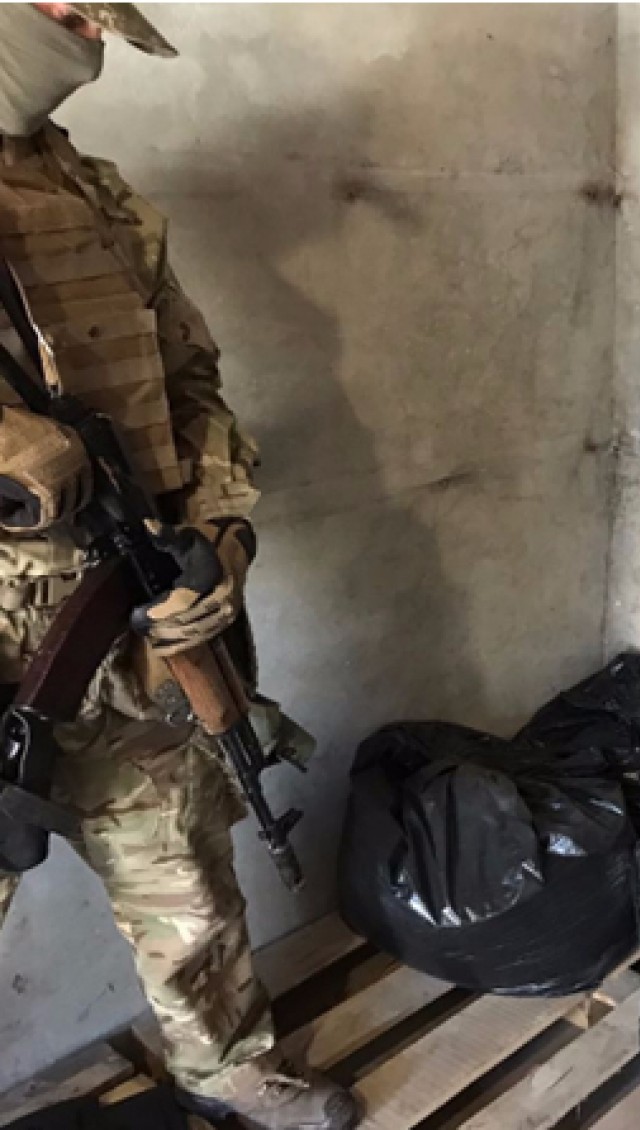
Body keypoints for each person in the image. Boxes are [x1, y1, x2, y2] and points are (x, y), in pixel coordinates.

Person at [0, 6, 358, 1128]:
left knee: (185, 872)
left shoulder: (95, 193)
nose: (83, 35)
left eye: (95, 18)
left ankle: (227, 1066)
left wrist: (218, 535)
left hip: (131, 608)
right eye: (60, 9)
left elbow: (194, 383)